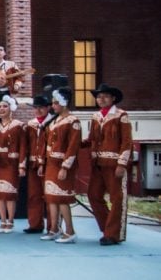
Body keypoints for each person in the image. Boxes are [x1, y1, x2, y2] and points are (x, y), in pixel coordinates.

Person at [85, 83, 133, 245]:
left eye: (105, 96)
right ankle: (108, 228)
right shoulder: (96, 117)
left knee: (117, 198)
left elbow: (127, 142)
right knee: (93, 195)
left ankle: (113, 234)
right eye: (98, 96)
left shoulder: (121, 115)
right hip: (98, 163)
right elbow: (91, 139)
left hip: (114, 164)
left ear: (113, 98)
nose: (101, 99)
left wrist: (122, 163)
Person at [40, 87, 81, 244]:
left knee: (62, 198)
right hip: (51, 163)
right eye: (53, 103)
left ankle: (70, 231)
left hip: (62, 165)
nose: (53, 106)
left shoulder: (73, 121)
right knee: (51, 198)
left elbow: (73, 146)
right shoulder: (54, 121)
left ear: (64, 103)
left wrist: (65, 166)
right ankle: (54, 229)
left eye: (56, 103)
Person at [0, 96, 27, 233]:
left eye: (4, 106)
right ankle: (2, 220)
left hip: (12, 162)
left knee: (9, 193)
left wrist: (22, 165)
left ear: (11, 108)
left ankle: (11, 220)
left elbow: (23, 146)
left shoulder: (19, 125)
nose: (1, 109)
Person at [23, 94, 53, 234]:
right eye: (36, 108)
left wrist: (43, 161)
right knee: (33, 195)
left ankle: (52, 226)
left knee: (49, 195)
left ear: (48, 108)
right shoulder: (31, 124)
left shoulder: (53, 123)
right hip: (32, 163)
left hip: (48, 163)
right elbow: (26, 145)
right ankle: (35, 224)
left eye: (41, 107)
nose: (38, 110)